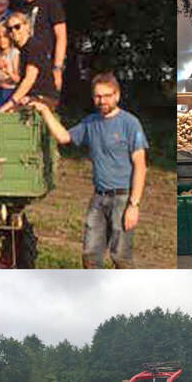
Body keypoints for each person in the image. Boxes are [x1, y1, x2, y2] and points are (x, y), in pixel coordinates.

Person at [31, 73, 149, 269]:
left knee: (121, 257)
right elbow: (63, 137)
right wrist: (44, 111)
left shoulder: (130, 123)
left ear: (117, 95)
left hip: (123, 198)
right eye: (97, 96)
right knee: (90, 256)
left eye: (107, 95)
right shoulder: (90, 123)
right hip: (99, 198)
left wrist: (134, 205)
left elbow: (140, 165)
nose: (102, 100)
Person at [0, 0, 67, 94]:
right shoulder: (21, 8)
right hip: (25, 67)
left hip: (45, 67)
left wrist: (57, 68)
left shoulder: (50, 1)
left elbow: (61, 36)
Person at [0, 11, 59, 111]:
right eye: (10, 29)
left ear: (27, 26)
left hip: (44, 98)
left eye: (17, 27)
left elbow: (29, 79)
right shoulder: (19, 50)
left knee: (9, 112)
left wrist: (10, 103)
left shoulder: (33, 47)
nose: (13, 31)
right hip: (28, 97)